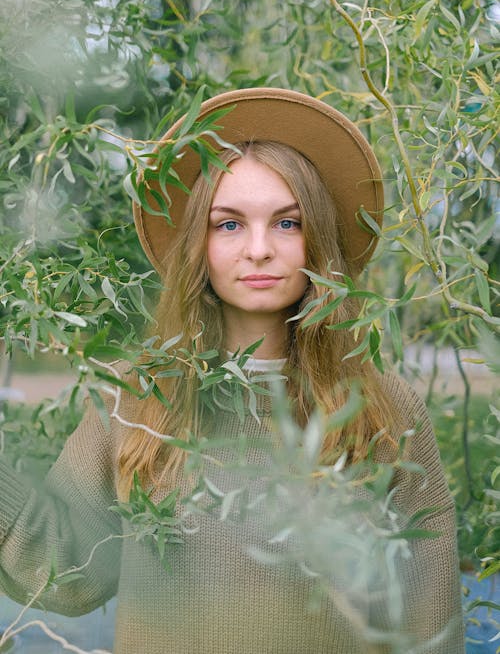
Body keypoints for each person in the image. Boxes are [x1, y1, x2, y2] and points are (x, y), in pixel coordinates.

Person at [0, 88, 464, 653]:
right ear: (198, 244)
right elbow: (61, 570)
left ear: (319, 241)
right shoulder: (134, 395)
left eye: (288, 223)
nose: (260, 249)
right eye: (229, 225)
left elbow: (428, 622)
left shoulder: (385, 410)